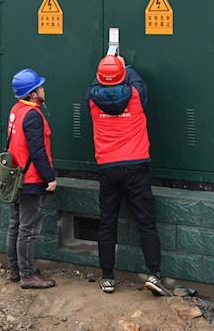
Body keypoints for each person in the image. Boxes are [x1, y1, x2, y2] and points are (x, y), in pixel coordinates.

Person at [86, 55, 169, 297]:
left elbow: (96, 83)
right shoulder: (136, 96)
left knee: (107, 223)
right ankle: (154, 274)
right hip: (136, 166)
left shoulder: (92, 101)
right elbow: (138, 81)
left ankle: (107, 277)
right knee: (146, 223)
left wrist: (107, 67)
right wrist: (124, 65)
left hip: (108, 168)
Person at [5, 68, 57, 289]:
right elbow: (37, 151)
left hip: (16, 178)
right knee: (28, 230)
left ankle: (15, 269)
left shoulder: (16, 109)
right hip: (31, 180)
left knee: (15, 226)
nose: (43, 89)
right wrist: (50, 178)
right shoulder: (33, 116)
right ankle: (27, 275)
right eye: (40, 86)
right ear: (33, 93)